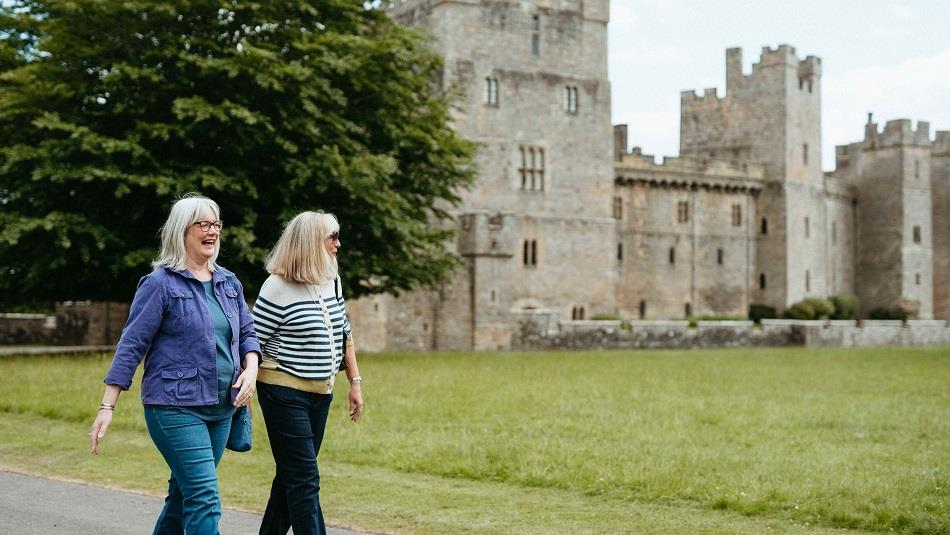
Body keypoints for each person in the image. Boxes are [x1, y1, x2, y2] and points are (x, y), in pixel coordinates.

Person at [89, 194, 261, 534]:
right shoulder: (159, 284)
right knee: (205, 497)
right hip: (174, 407)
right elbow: (132, 344)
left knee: (184, 497)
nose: (212, 231)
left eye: (216, 224)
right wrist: (107, 404)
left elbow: (248, 333)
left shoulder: (228, 282)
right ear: (183, 231)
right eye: (203, 224)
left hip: (223, 407)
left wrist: (252, 368)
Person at [252, 211, 364, 535]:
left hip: (321, 392)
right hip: (281, 391)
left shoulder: (332, 279)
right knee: (305, 479)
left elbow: (344, 331)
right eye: (332, 238)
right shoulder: (276, 287)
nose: (338, 244)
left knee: (290, 476)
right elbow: (252, 341)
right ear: (312, 243)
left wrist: (354, 382)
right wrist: (243, 385)